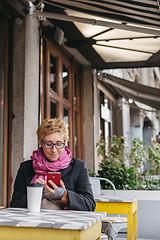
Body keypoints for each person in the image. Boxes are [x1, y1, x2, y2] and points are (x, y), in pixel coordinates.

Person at [10, 118, 96, 211]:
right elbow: (15, 204)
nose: (54, 150)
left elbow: (89, 204)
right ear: (41, 143)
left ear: (65, 143)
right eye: (48, 144)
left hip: (66, 223)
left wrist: (63, 195)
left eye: (59, 144)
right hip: (32, 222)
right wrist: (36, 193)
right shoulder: (26, 168)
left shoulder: (78, 167)